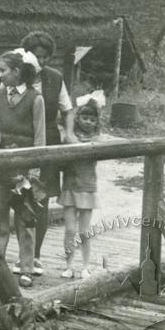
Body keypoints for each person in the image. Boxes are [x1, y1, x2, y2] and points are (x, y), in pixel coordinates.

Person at [0, 49, 45, 287]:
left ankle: (26, 268)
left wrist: (34, 170)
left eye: (3, 70)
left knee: (25, 219)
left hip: (24, 168)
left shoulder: (35, 99)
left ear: (17, 72)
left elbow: (40, 138)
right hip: (1, 165)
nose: (0, 75)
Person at [20, 31, 77, 277]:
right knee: (20, 196)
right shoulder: (19, 76)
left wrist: (70, 133)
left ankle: (36, 256)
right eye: (36, 56)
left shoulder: (55, 78)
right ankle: (21, 254)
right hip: (23, 141)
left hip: (49, 143)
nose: (41, 62)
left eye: (45, 57)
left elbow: (68, 109)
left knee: (40, 199)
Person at [59, 99, 101, 279]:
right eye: (84, 117)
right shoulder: (69, 137)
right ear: (78, 118)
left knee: (84, 231)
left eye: (92, 119)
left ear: (97, 122)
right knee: (69, 230)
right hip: (70, 186)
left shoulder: (98, 139)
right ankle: (69, 265)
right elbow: (68, 140)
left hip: (87, 187)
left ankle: (85, 266)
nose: (88, 122)